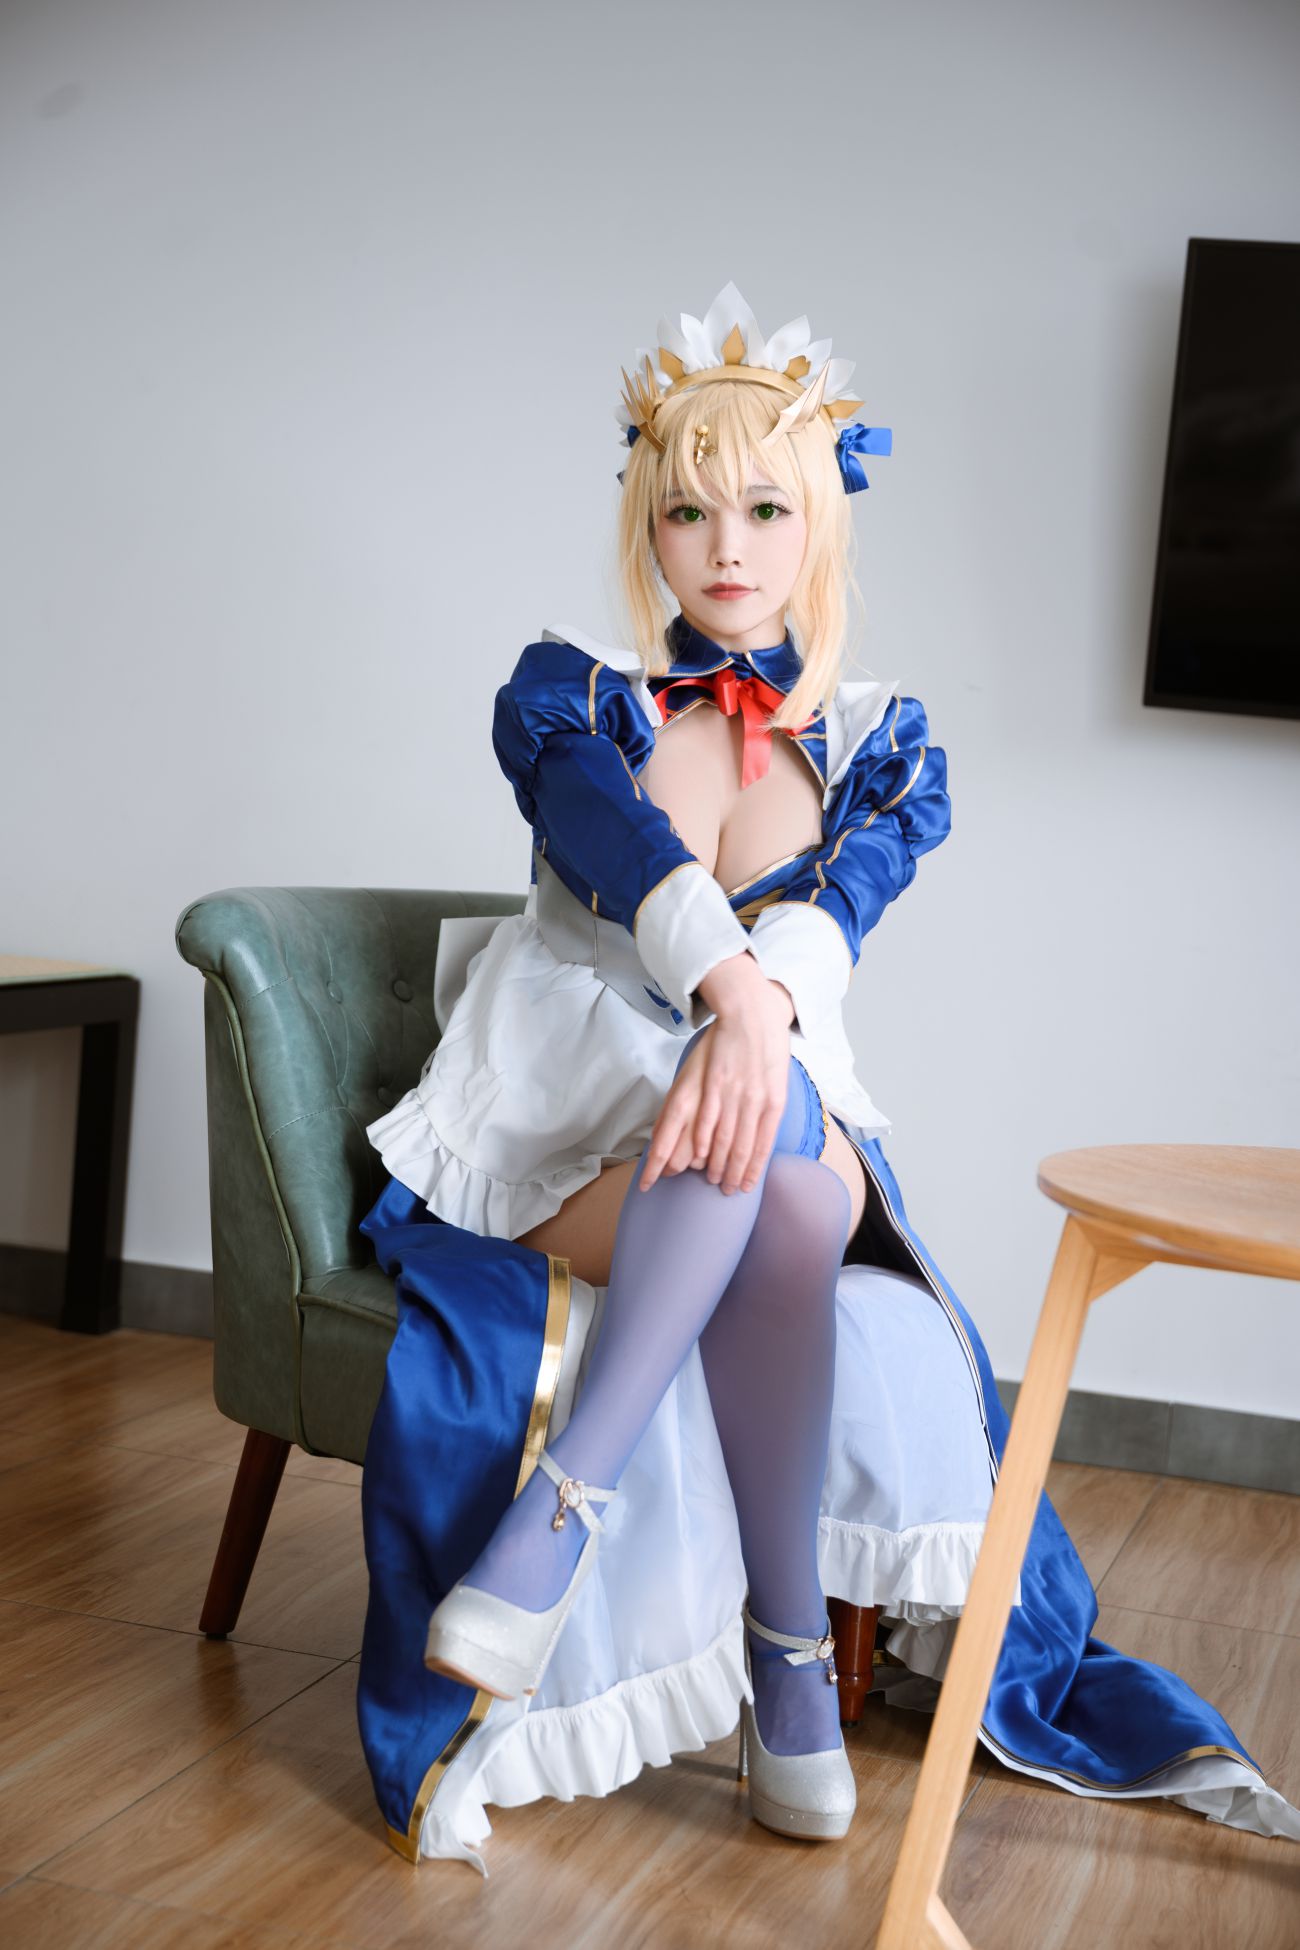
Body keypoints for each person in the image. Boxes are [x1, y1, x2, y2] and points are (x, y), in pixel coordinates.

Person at [355, 282, 1300, 1875]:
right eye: (688, 509)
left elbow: (839, 915)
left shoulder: (880, 743)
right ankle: (789, 1655)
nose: (725, 545)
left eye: (765, 508)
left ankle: (560, 1517)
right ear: (647, 525)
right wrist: (731, 993)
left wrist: (755, 1016)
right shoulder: (568, 692)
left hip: (774, 1101)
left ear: (822, 524)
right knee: (782, 1165)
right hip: (574, 1132)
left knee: (783, 1115)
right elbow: (613, 839)